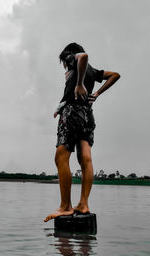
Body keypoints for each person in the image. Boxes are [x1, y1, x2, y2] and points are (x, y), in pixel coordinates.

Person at [44, 43, 120, 222]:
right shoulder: (92, 72)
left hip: (72, 114)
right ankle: (83, 204)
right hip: (87, 114)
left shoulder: (73, 59)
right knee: (85, 158)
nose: (64, 65)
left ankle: (65, 207)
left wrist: (78, 84)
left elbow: (83, 56)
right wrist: (97, 93)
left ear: (67, 55)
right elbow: (115, 75)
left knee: (61, 157)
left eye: (63, 61)